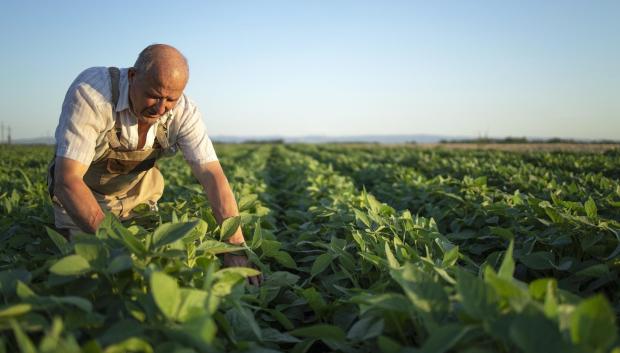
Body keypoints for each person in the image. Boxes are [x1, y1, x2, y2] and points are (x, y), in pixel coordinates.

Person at [48, 44, 261, 285]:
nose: (161, 108)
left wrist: (234, 248)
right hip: (83, 198)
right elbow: (67, 181)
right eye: (154, 95)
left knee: (162, 268)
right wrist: (121, 247)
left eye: (171, 99)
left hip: (139, 198)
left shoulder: (184, 112)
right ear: (132, 76)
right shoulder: (92, 94)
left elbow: (212, 175)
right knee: (94, 273)